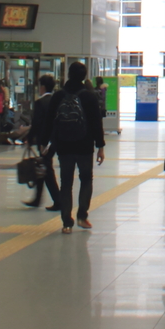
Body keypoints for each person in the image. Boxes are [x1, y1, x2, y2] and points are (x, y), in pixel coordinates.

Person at [46, 62, 106, 233]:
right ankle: (82, 216)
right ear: (84, 76)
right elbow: (96, 123)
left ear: (68, 75)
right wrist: (100, 146)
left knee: (66, 183)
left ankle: (66, 223)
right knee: (86, 179)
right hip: (84, 146)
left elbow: (49, 121)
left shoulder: (58, 96)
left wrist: (45, 142)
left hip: (63, 146)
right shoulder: (89, 96)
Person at [21, 74, 60, 208]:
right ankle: (37, 199)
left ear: (42, 87)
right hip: (54, 140)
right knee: (43, 167)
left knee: (47, 170)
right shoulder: (56, 100)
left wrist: (30, 138)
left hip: (44, 141)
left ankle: (58, 200)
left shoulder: (40, 103)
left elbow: (36, 123)